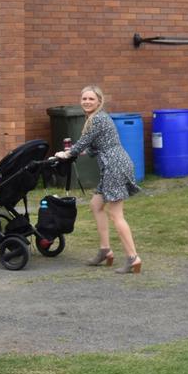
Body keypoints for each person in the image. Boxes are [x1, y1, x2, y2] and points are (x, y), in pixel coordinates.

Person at [54, 85, 142, 274]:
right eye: (84, 99)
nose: (86, 102)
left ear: (99, 102)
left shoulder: (99, 118)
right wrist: (78, 152)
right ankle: (105, 250)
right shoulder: (94, 118)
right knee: (96, 205)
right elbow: (94, 146)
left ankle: (133, 257)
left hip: (114, 166)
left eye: (91, 99)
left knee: (116, 214)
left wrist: (68, 153)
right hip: (113, 165)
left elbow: (84, 142)